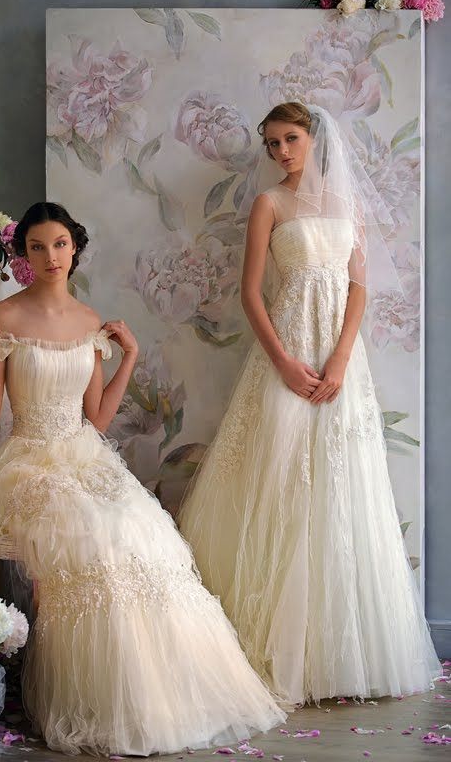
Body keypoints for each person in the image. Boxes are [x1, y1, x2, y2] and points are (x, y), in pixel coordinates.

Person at [0, 202, 285, 756]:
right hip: (29, 461)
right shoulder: (4, 318)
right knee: (89, 532)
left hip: (85, 455)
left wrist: (128, 356)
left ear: (75, 248)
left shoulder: (91, 323)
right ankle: (95, 698)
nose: (50, 256)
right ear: (24, 254)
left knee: (141, 530)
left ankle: (161, 697)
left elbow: (99, 420)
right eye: (37, 246)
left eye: (60, 244)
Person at [178, 102, 441, 706]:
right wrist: (283, 363)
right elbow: (250, 294)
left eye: (290, 139)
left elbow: (359, 288)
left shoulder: (348, 206)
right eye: (271, 143)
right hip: (287, 354)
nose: (280, 152)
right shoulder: (269, 203)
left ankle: (335, 655)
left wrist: (343, 360)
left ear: (314, 138)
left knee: (341, 489)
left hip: (339, 363)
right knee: (278, 483)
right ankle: (264, 645)